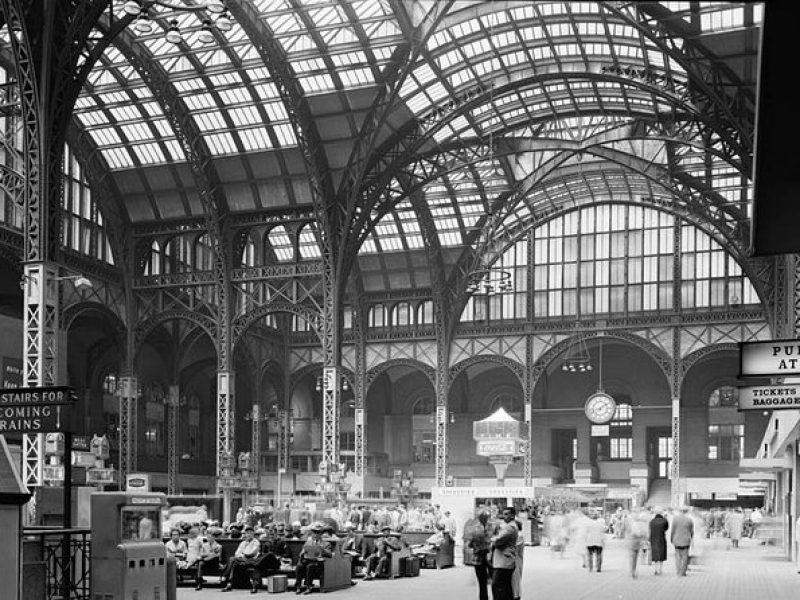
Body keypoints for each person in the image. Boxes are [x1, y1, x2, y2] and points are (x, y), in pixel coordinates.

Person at [295, 523, 333, 595]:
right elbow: (301, 553)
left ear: (320, 534)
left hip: (318, 563)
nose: (315, 535)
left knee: (310, 566)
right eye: (314, 533)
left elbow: (330, 554)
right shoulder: (308, 542)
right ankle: (298, 586)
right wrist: (303, 553)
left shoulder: (326, 543)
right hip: (307, 560)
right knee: (299, 566)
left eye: (317, 533)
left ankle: (309, 587)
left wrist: (322, 549)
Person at [221, 525, 262, 593]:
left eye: (250, 533)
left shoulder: (256, 542)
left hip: (251, 560)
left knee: (232, 559)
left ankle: (226, 576)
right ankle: (229, 583)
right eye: (247, 533)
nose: (248, 534)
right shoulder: (243, 543)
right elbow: (236, 553)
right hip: (242, 560)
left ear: (253, 534)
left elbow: (251, 553)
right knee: (233, 561)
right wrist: (242, 555)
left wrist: (242, 554)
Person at [464, 510, 494, 600]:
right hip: (479, 556)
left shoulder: (493, 526)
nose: (484, 518)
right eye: (482, 517)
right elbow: (468, 543)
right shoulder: (473, 528)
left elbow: (497, 539)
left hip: (490, 556)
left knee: (495, 581)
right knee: (482, 581)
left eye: (485, 517)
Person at [490, 507, 518, 600]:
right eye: (503, 514)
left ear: (512, 515)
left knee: (497, 586)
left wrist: (491, 538)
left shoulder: (510, 527)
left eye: (507, 514)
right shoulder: (508, 526)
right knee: (505, 586)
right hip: (505, 561)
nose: (504, 516)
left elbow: (497, 541)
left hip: (504, 562)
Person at [671, 506, 694, 577]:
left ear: (680, 511)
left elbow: (673, 530)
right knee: (685, 557)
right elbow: (691, 531)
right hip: (686, 540)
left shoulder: (675, 519)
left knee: (677, 556)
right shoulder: (689, 520)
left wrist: (671, 538)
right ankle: (683, 572)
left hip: (677, 539)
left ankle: (678, 571)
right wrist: (691, 537)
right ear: (687, 511)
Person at [626, 510, 649, 578]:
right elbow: (644, 533)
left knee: (632, 557)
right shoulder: (640, 524)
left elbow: (629, 532)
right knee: (634, 557)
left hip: (632, 542)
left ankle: (632, 570)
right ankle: (633, 570)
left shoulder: (632, 523)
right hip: (638, 542)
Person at [649, 508, 669, 575]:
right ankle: (660, 569)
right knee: (661, 555)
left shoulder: (652, 521)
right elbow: (666, 528)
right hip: (661, 539)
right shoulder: (664, 521)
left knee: (655, 555)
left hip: (654, 539)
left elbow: (650, 530)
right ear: (661, 513)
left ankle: (656, 569)